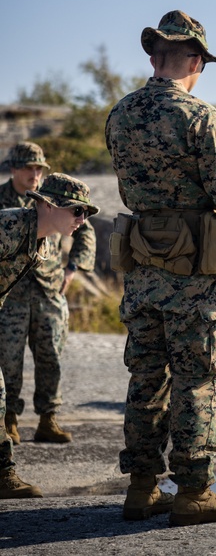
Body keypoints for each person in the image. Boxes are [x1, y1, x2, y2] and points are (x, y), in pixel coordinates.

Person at [105, 10, 216, 525]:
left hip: (142, 265)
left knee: (146, 376)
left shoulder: (119, 114)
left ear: (154, 57)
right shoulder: (201, 118)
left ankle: (141, 487)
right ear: (196, 60)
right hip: (195, 272)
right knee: (200, 378)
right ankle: (194, 491)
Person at [0, 172, 99, 498]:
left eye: (85, 213)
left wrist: (72, 269)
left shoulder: (39, 238)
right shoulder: (10, 228)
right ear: (49, 204)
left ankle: (3, 475)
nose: (82, 220)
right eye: (76, 211)